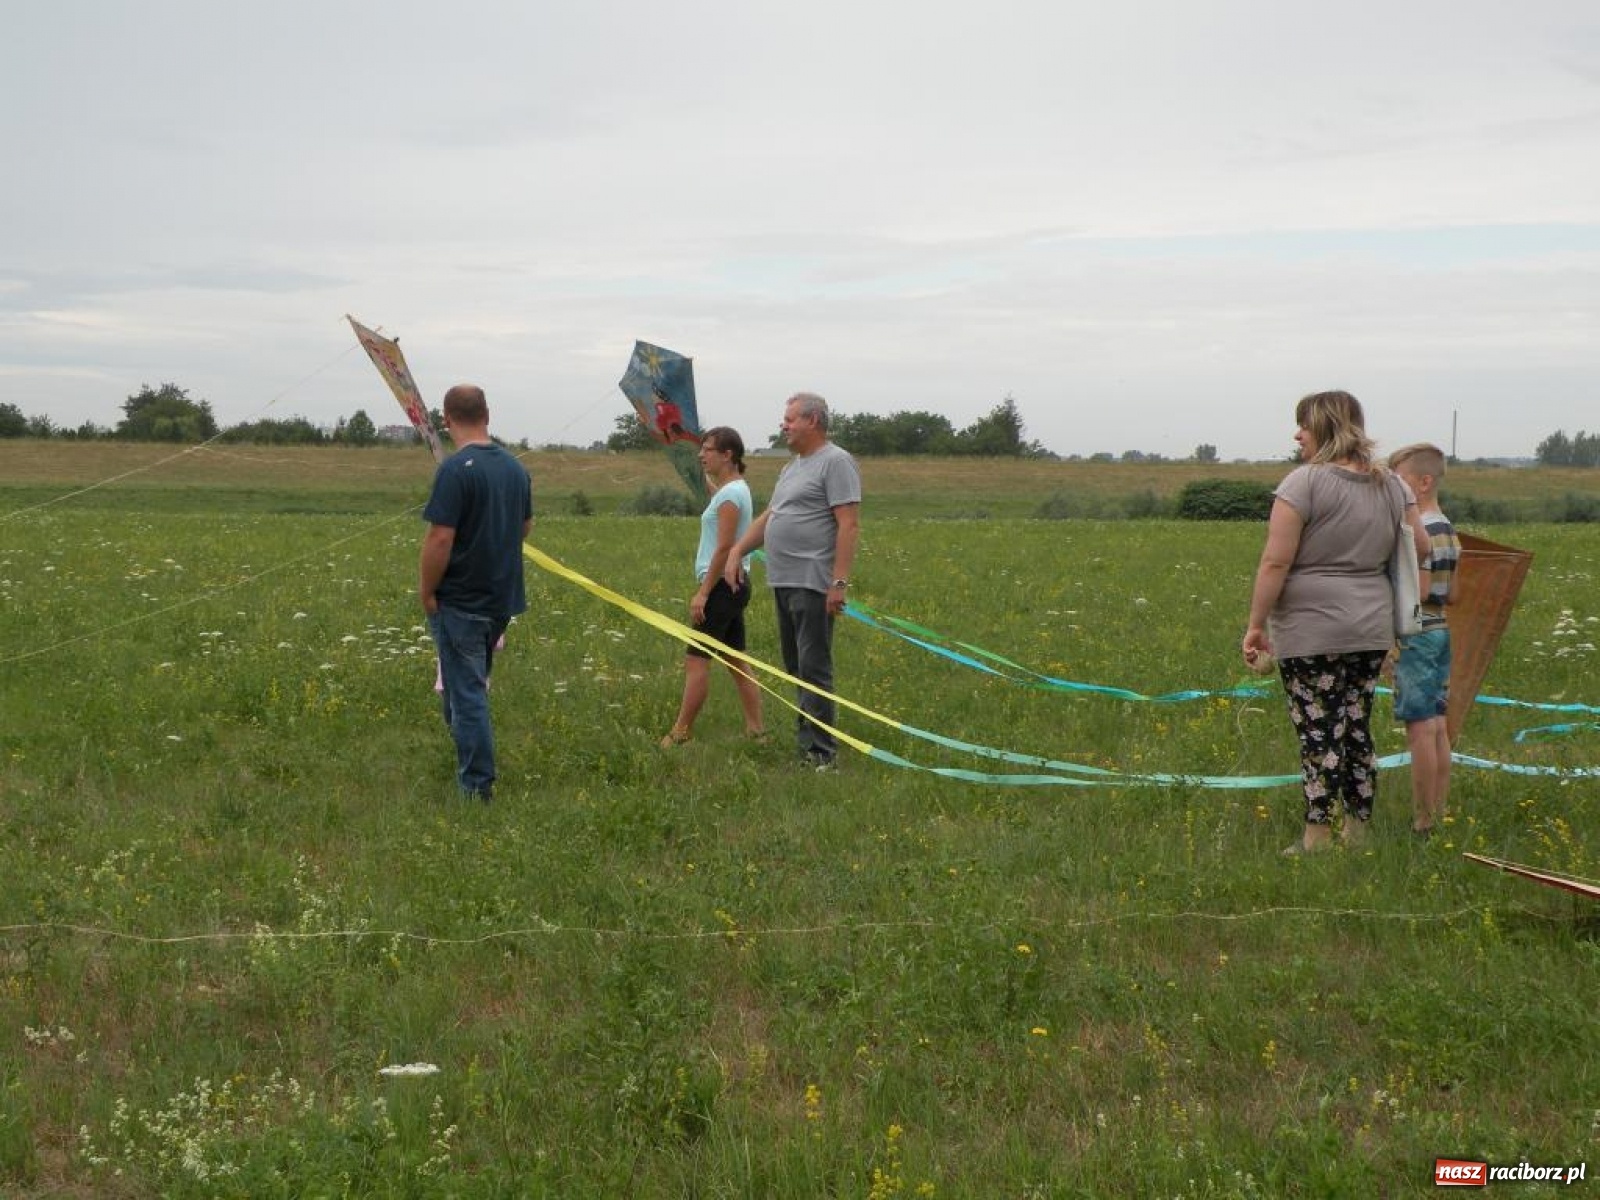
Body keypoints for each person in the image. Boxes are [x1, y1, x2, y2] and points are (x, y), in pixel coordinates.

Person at [1242, 390, 1430, 854]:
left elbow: (1274, 563)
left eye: (1302, 425)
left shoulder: (1302, 484)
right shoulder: (1392, 485)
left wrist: (1255, 624)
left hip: (1311, 630)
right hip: (1370, 627)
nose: (1296, 434)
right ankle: (1358, 833)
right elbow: (1421, 548)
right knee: (1356, 727)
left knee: (1318, 734)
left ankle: (1317, 838)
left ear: (1323, 427)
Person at [725, 392, 861, 770]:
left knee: (814, 665)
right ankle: (808, 743)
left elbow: (848, 524)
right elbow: (772, 515)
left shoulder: (836, 462)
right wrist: (738, 551)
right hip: (783, 580)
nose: (783, 425)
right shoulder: (792, 468)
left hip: (813, 580)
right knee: (795, 666)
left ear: (812, 421)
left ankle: (821, 754)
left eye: (790, 419)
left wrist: (839, 582)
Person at [418, 384, 533, 802]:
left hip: (462, 600)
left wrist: (427, 591)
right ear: (488, 414)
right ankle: (467, 752)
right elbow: (524, 528)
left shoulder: (454, 470)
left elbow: (440, 539)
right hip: (501, 598)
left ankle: (477, 786)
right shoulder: (515, 469)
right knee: (464, 684)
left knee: (467, 694)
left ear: (446, 419)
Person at [660, 427, 765, 747]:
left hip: (722, 586)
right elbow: (713, 497)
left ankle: (680, 733)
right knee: (736, 660)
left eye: (707, 450)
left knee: (696, 660)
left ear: (727, 454)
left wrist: (703, 592)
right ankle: (757, 732)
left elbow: (724, 548)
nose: (700, 455)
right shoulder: (730, 491)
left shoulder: (732, 495)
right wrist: (685, 464)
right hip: (732, 585)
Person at [1388, 442, 1460, 837]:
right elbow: (1455, 593)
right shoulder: (1447, 527)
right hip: (1442, 629)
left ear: (1423, 482)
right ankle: (1438, 809)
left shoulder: (1424, 530)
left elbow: (1423, 587)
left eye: (1400, 482)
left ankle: (1423, 819)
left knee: (1419, 728)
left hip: (1419, 633)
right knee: (1437, 724)